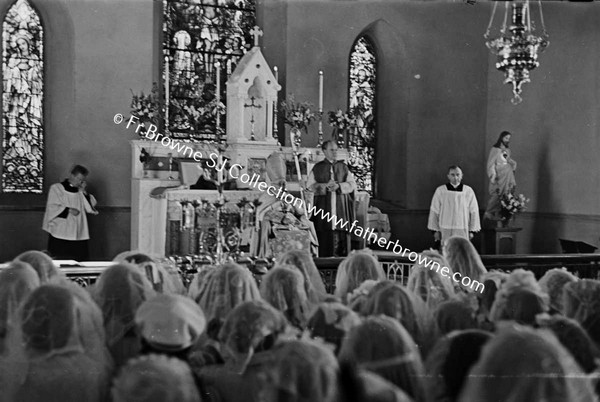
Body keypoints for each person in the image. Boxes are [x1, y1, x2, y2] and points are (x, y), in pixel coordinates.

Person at [307, 140, 357, 257]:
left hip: (340, 208)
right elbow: (310, 187)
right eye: (331, 150)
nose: (334, 153)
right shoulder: (317, 168)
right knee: (324, 237)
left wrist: (339, 186)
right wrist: (325, 186)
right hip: (323, 209)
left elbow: (352, 184)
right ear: (324, 151)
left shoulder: (343, 167)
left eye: (336, 150)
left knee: (341, 237)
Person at [42, 165, 99, 261]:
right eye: (78, 179)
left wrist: (83, 191)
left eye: (82, 180)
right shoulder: (57, 188)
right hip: (61, 231)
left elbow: (90, 208)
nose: (80, 182)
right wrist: (68, 210)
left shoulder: (80, 191)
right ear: (71, 175)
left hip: (79, 231)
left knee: (79, 260)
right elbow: (52, 207)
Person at [427, 165, 480, 247]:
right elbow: (434, 211)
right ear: (448, 176)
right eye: (452, 175)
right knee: (446, 250)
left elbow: (474, 211)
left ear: (462, 175)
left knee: (461, 251)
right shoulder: (441, 191)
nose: (455, 177)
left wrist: (472, 231)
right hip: (445, 228)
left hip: (462, 228)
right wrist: (435, 230)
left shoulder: (468, 191)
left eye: (458, 174)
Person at [484, 131, 517, 220]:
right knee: (497, 194)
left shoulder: (506, 150)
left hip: (507, 175)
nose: (507, 140)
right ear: (501, 137)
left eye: (509, 139)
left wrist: (513, 164)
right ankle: (489, 213)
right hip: (499, 176)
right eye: (506, 138)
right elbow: (491, 164)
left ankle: (500, 214)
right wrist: (493, 175)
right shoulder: (495, 149)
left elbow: (507, 159)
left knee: (506, 194)